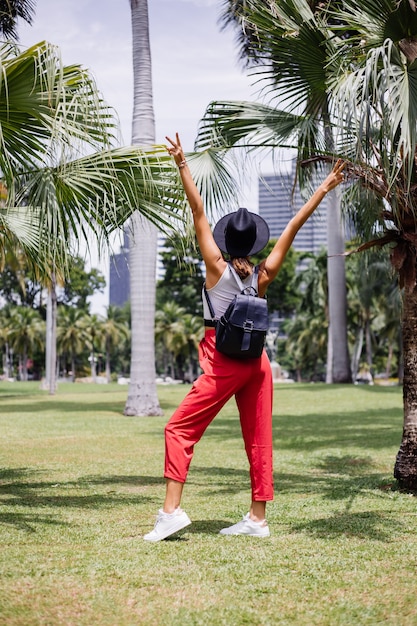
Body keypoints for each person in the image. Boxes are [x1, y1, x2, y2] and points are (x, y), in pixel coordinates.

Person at [143, 133, 345, 542]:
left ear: (224, 242)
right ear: (253, 243)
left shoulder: (216, 267)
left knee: (179, 430)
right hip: (259, 363)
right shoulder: (263, 273)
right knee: (259, 438)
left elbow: (198, 211)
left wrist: (183, 164)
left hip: (224, 361)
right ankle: (257, 519)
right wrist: (323, 187)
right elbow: (293, 225)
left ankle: (171, 512)